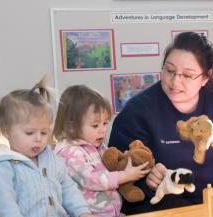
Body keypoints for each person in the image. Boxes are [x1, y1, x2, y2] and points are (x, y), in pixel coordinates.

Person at [108, 32, 213, 214]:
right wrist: (147, 182)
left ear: (206, 77)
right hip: (169, 207)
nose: (175, 81)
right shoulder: (137, 112)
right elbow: (117, 170)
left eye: (187, 75)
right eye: (169, 70)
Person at [0, 78, 94, 217]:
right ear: (6, 131)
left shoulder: (51, 158)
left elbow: (68, 189)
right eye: (30, 133)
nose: (39, 138)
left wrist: (82, 212)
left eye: (44, 132)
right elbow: (4, 207)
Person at [52, 85, 150, 217]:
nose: (103, 130)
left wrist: (125, 159)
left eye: (105, 123)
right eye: (95, 125)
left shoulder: (97, 145)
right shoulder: (68, 153)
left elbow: (112, 164)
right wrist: (125, 175)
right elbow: (91, 179)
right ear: (72, 126)